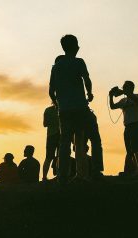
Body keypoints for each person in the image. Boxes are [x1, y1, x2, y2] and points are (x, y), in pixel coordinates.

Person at [49, 34, 93, 184]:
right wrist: (90, 93)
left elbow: (51, 91)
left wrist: (57, 103)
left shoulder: (56, 67)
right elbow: (87, 79)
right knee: (79, 140)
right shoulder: (79, 62)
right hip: (79, 107)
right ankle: (81, 174)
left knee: (64, 142)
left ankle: (62, 175)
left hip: (64, 109)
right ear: (75, 47)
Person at [109, 81, 138, 175]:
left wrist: (123, 92)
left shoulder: (137, 96)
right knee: (129, 149)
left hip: (135, 124)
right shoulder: (123, 101)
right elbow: (112, 106)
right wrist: (111, 96)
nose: (124, 89)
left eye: (125, 88)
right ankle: (133, 169)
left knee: (136, 146)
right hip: (127, 126)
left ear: (131, 88)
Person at [43, 103, 60, 181]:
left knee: (48, 157)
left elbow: (45, 124)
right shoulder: (64, 109)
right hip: (61, 135)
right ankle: (59, 175)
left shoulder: (48, 110)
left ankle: (44, 176)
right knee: (60, 156)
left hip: (51, 135)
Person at [85, 110, 104, 177]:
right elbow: (90, 99)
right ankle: (96, 170)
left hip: (71, 113)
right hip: (85, 113)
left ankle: (81, 172)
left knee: (80, 144)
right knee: (96, 143)